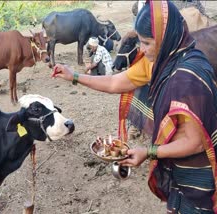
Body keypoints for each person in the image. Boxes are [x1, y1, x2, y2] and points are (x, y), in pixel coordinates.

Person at [52, 0, 217, 213]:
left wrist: (148, 151)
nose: (142, 49)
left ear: (167, 38)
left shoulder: (188, 77)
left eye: (147, 43)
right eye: (140, 42)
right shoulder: (158, 61)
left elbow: (194, 143)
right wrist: (73, 75)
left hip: (197, 171)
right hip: (176, 165)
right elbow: (114, 82)